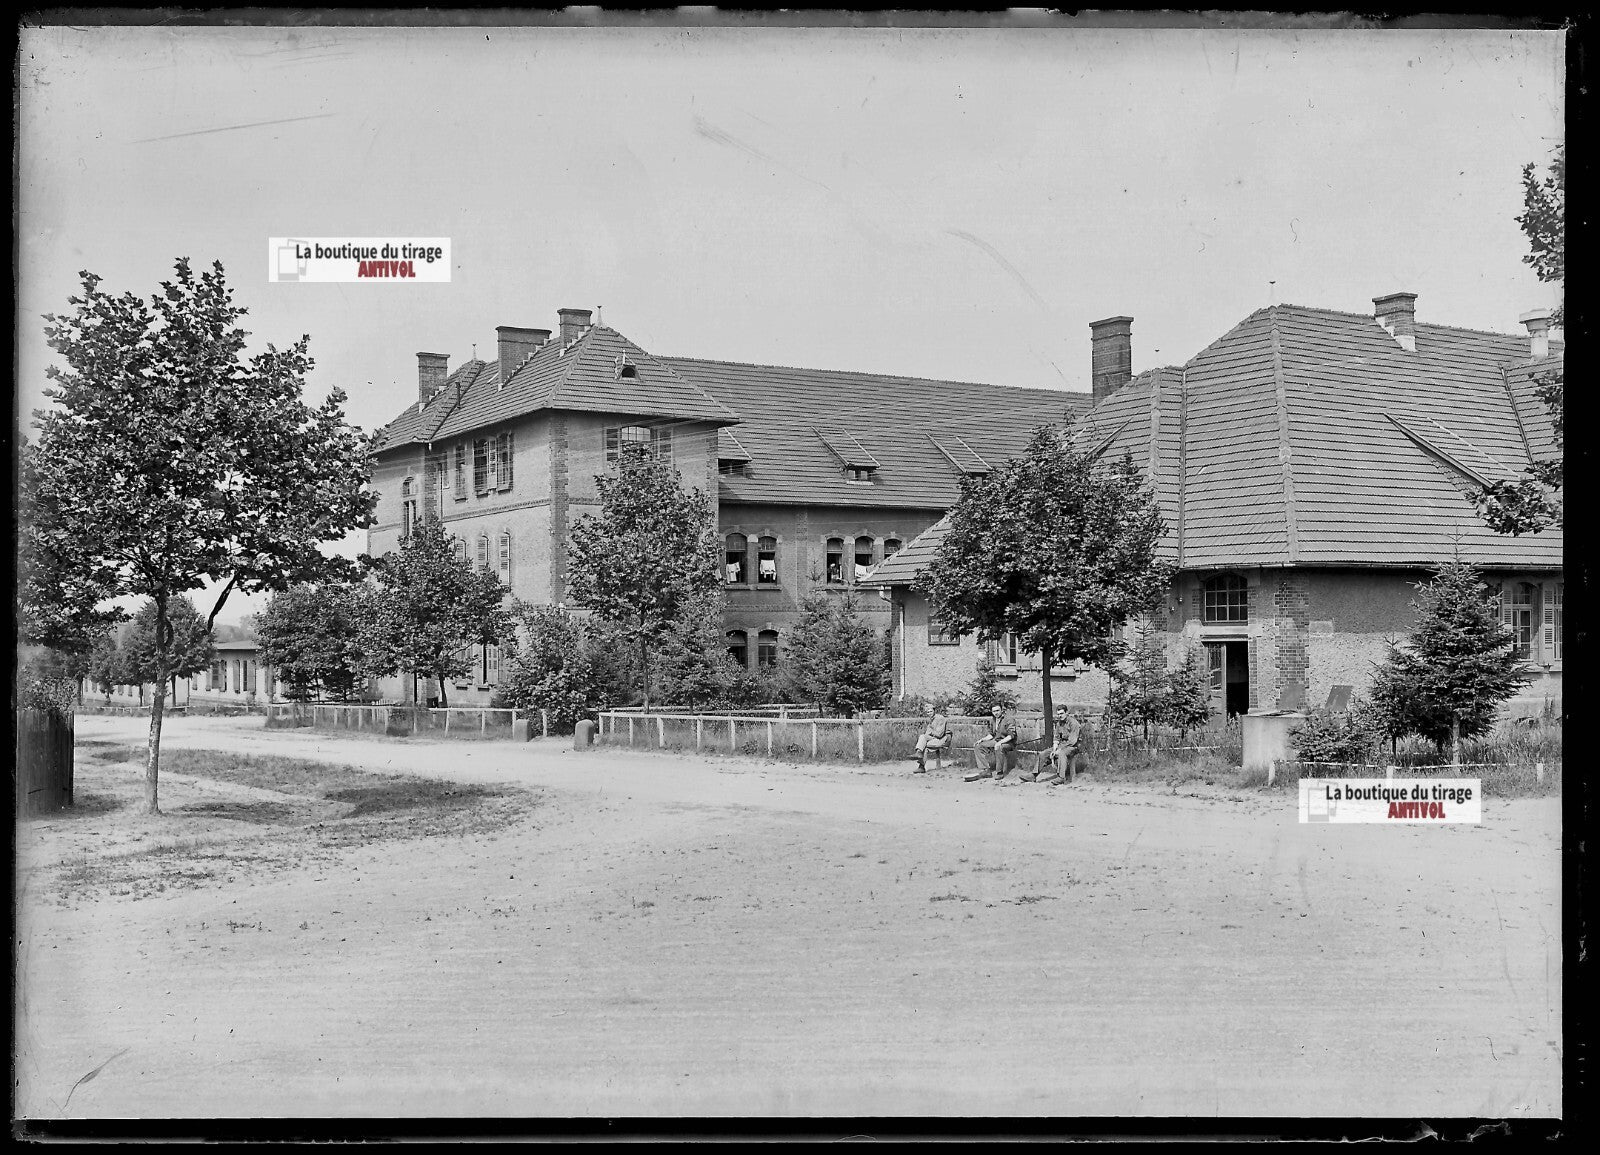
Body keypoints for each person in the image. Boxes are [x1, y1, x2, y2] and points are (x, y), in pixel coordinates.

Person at [965, 703, 1018, 781]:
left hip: (1008, 742)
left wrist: (1000, 743)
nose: (996, 713)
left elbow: (1011, 735)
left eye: (997, 710)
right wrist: (982, 740)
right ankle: (987, 769)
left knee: (999, 747)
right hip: (996, 740)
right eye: (994, 711)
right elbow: (992, 734)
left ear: (1001, 710)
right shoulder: (993, 720)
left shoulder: (1008, 719)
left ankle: (999, 772)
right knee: (978, 746)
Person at [1042, 706, 1084, 785]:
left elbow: (1073, 741)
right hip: (1062, 746)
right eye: (1058, 714)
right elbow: (1056, 738)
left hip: (1073, 746)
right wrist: (1054, 750)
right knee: (1044, 754)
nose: (1060, 716)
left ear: (1066, 713)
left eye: (1062, 713)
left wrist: (1059, 750)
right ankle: (1033, 775)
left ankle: (1061, 777)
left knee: (1062, 753)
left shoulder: (1073, 723)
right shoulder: (1059, 724)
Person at [911, 703, 951, 773]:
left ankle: (921, 766)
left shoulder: (940, 718)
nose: (929, 713)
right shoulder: (931, 720)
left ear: (934, 711)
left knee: (925, 746)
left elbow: (939, 734)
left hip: (943, 739)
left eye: (930, 711)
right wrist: (929, 735)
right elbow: (927, 734)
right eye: (928, 712)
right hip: (935, 738)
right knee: (922, 737)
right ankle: (918, 752)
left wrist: (931, 732)